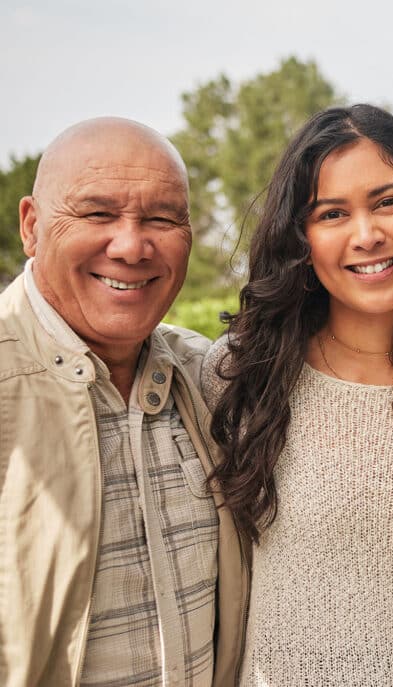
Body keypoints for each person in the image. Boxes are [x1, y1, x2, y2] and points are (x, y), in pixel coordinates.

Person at [202, 104, 393, 686]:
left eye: (388, 202)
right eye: (332, 213)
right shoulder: (242, 374)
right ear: (302, 235)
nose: (366, 235)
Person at [0, 117, 247, 685]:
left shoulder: (207, 377)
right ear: (31, 226)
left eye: (161, 219)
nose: (132, 245)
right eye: (97, 214)